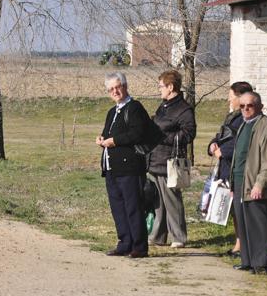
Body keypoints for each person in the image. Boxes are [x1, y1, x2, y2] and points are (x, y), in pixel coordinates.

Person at [96, 72, 150, 258]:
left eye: (117, 87)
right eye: (111, 89)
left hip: (130, 167)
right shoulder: (112, 112)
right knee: (118, 207)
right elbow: (106, 133)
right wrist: (101, 139)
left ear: (125, 86)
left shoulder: (134, 108)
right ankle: (124, 242)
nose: (115, 91)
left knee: (133, 206)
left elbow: (138, 134)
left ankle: (139, 246)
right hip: (111, 167)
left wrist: (115, 141)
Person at [229, 91, 267, 274]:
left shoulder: (266, 127)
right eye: (241, 106)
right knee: (243, 225)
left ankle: (260, 264)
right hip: (240, 182)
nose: (245, 109)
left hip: (254, 183)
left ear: (259, 106)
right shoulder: (245, 124)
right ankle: (248, 261)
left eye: (249, 106)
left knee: (258, 224)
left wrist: (261, 183)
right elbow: (239, 156)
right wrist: (232, 184)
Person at [147, 70, 196, 248]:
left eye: (161, 86)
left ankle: (179, 237)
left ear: (170, 87)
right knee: (158, 202)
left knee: (172, 201)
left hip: (170, 162)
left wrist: (163, 138)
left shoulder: (184, 109)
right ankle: (158, 236)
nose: (159, 89)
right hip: (155, 159)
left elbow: (189, 133)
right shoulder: (164, 106)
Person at [206, 81, 253, 257]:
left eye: (231, 96)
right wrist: (212, 145)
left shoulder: (244, 119)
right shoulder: (232, 116)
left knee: (240, 211)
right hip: (226, 167)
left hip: (236, 168)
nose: (228, 99)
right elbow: (221, 135)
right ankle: (238, 244)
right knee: (234, 211)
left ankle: (243, 246)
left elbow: (239, 143)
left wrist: (222, 152)